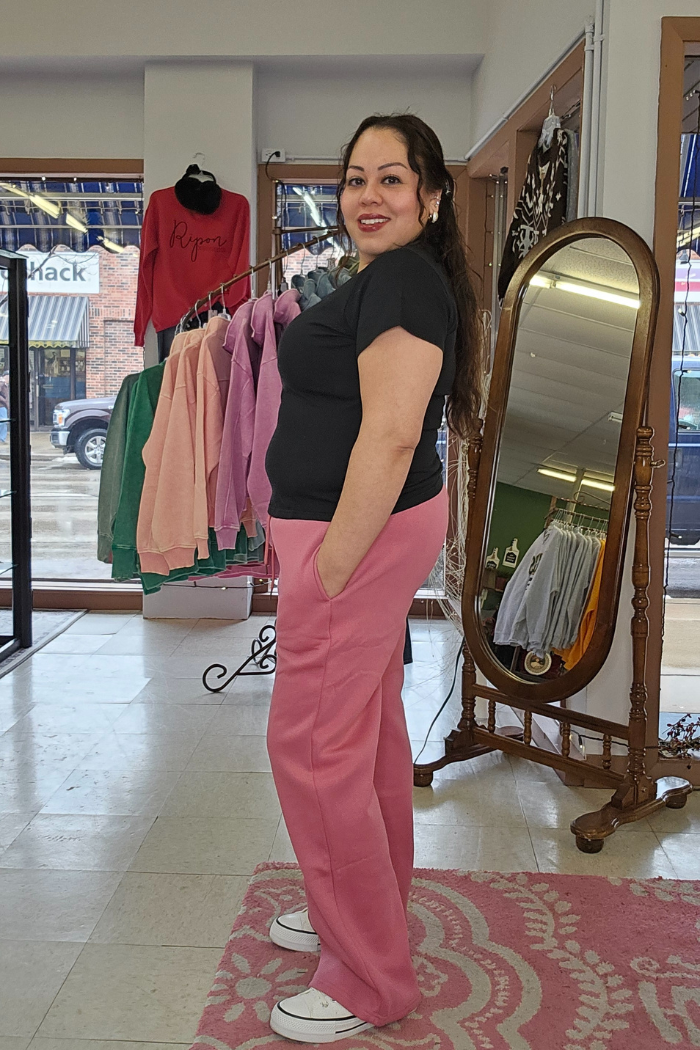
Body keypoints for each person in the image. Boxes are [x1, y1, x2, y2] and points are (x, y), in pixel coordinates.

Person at [264, 113, 482, 1043]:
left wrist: (329, 569)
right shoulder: (392, 276)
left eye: (392, 178)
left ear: (430, 196)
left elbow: (392, 437)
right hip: (359, 532)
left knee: (313, 749)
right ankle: (362, 908)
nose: (368, 195)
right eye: (356, 178)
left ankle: (367, 976)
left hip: (352, 539)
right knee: (367, 732)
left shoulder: (400, 280)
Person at [0, 373, 9, 443]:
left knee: (4, 422)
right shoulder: (2, 384)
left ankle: (2, 439)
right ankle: (2, 438)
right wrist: (4, 401)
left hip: (3, 406)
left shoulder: (6, 385)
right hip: (2, 406)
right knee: (3, 421)